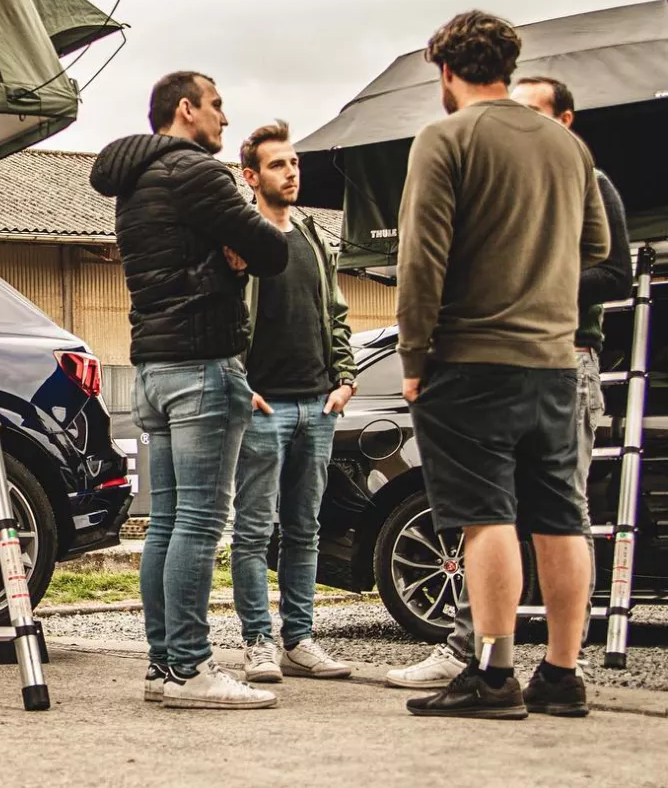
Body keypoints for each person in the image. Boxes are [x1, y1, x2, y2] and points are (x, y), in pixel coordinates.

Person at [386, 76, 632, 699]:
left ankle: (493, 674)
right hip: (555, 360)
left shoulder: (451, 140)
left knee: (488, 517)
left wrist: (415, 355)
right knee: (560, 518)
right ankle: (561, 674)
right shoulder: (571, 159)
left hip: (498, 359)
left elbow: (422, 258)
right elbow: (599, 247)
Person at [90, 71, 288, 709]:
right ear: (185, 109)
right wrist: (239, 244)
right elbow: (273, 249)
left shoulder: (135, 180)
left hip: (152, 367)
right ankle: (190, 669)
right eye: (217, 106)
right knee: (200, 524)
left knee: (167, 524)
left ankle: (161, 665)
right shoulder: (198, 173)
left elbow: (184, 254)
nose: (225, 121)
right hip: (204, 364)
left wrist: (221, 249)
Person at [229, 121, 357, 683]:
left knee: (306, 531)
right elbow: (224, 318)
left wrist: (345, 380)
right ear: (250, 176)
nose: (293, 172)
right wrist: (241, 385)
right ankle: (258, 642)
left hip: (318, 406)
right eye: (279, 165)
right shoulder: (241, 237)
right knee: (255, 532)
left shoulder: (311, 235)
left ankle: (298, 641)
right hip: (264, 407)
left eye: (295, 163)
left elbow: (336, 313)